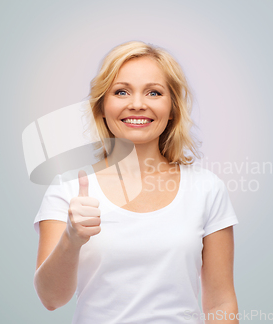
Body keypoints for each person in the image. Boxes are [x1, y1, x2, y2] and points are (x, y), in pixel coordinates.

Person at [33, 40, 239, 323]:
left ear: (172, 108)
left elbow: (221, 302)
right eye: (121, 92)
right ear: (102, 107)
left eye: (154, 92)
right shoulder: (66, 188)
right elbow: (51, 299)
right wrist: (71, 239)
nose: (138, 104)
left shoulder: (207, 189)